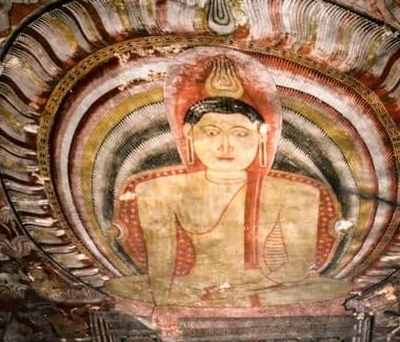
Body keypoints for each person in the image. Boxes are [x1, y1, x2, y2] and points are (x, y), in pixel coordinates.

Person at [106, 47, 350, 311]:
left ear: (261, 135)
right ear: (188, 133)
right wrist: (164, 306)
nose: (225, 146)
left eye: (240, 134)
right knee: (120, 285)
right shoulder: (156, 190)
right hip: (193, 287)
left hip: (265, 289)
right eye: (211, 133)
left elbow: (295, 273)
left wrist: (251, 288)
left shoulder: (298, 193)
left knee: (334, 285)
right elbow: (161, 273)